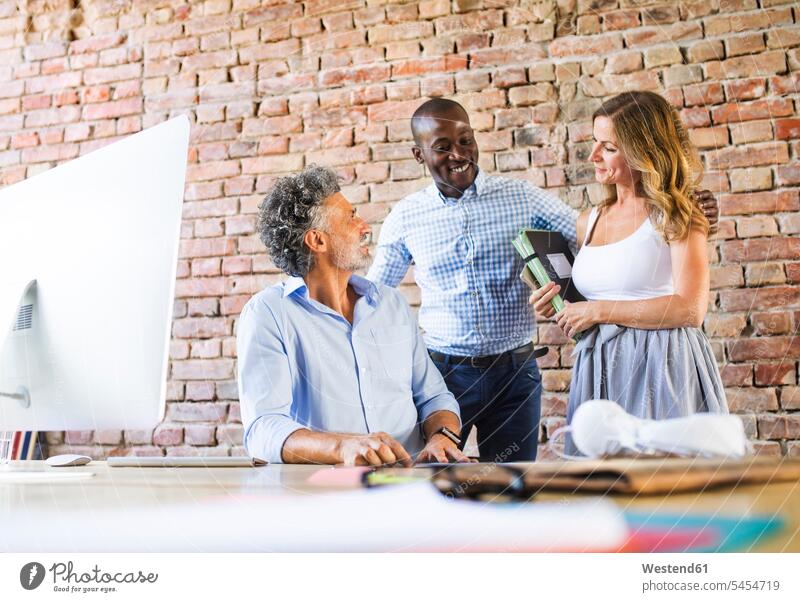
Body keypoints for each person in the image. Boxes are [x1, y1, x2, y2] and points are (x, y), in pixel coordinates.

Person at [367, 97, 719, 462]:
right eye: (442, 147)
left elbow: (614, 249)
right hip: (445, 375)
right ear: (418, 153)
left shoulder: (523, 198)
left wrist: (690, 213)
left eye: (466, 141)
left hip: (516, 375)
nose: (459, 154)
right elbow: (374, 298)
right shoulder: (405, 217)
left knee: (513, 485)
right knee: (431, 478)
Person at [528, 91, 728, 455]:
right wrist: (558, 306)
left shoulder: (679, 214)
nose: (593, 157)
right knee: (599, 489)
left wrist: (599, 311)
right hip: (598, 366)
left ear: (644, 150)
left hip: (661, 364)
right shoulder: (589, 219)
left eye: (608, 147)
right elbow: (588, 302)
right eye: (594, 143)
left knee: (662, 489)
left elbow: (690, 309)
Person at [237, 165, 468, 466]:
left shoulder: (391, 304)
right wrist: (343, 448)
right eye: (350, 218)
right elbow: (264, 429)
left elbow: (434, 397)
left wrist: (441, 437)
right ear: (317, 240)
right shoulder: (268, 315)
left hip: (410, 483)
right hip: (326, 491)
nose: (365, 227)